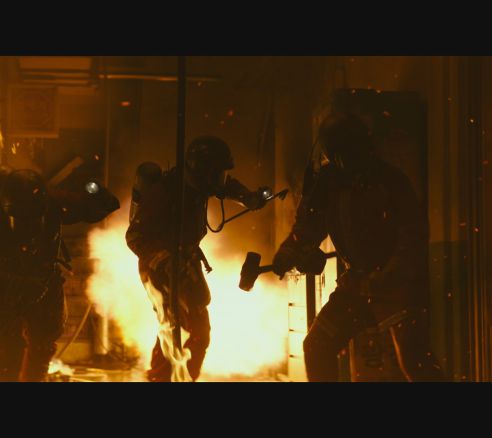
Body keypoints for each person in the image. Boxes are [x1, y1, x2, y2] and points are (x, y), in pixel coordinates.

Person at [272, 112, 444, 381]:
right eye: (341, 154)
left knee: (415, 359)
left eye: (352, 152)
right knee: (317, 347)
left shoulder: (389, 181)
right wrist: (288, 253)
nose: (348, 160)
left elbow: (413, 237)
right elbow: (308, 226)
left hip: (397, 287)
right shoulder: (329, 183)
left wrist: (387, 277)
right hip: (356, 285)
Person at [126, 135, 268, 381]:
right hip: (159, 267)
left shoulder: (199, 184)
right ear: (203, 170)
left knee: (187, 329)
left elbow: (226, 186)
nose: (220, 178)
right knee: (178, 328)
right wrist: (165, 261)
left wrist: (247, 196)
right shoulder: (165, 192)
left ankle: (170, 377)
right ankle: (163, 378)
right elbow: (135, 236)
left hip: (184, 260)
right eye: (217, 173)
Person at [0, 166, 119, 381]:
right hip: (5, 286)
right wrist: (17, 285)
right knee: (12, 342)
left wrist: (93, 190)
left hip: (42, 280)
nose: (30, 225)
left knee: (43, 341)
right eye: (23, 218)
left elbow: (104, 206)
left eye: (35, 216)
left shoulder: (52, 203)